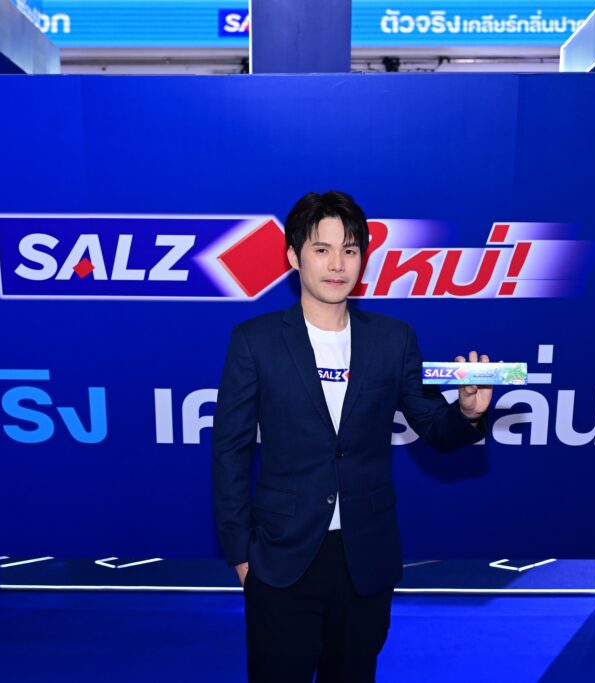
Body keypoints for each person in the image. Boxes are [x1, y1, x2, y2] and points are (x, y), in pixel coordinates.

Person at [212, 190, 492, 682]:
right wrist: (241, 556)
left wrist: (467, 414)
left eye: (350, 250)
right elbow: (229, 451)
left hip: (365, 558)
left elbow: (432, 424)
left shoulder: (393, 339)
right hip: (280, 558)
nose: (337, 264)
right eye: (321, 249)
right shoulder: (255, 341)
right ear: (293, 257)